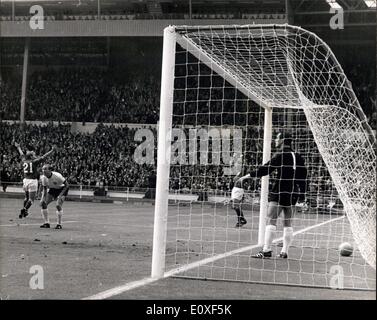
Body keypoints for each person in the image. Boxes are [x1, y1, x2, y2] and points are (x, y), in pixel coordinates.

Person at [237, 132, 308, 259]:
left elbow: (266, 168)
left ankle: (266, 250)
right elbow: (303, 177)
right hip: (293, 193)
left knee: (271, 219)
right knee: (288, 223)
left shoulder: (280, 155)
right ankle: (284, 252)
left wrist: (248, 175)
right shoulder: (298, 157)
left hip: (280, 191)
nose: (275, 140)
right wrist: (302, 195)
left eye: (277, 138)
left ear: (282, 140)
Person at [15, 142, 56, 219]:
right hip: (32, 181)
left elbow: (21, 154)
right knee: (31, 199)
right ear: (32, 157)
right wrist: (52, 150)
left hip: (25, 180)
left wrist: (18, 147)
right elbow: (44, 156)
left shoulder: (24, 160)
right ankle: (24, 209)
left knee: (26, 198)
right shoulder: (34, 162)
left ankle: (25, 212)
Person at [39, 164, 69, 229]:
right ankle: (47, 223)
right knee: (44, 204)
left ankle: (59, 224)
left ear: (50, 170)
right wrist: (42, 199)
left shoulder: (57, 176)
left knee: (58, 205)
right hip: (53, 189)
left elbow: (67, 185)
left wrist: (60, 195)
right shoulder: (43, 177)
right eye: (43, 169)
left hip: (62, 189)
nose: (43, 170)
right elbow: (44, 189)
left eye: (45, 169)